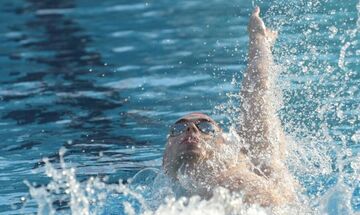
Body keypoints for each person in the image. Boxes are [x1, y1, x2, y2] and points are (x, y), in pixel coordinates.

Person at [162, 6, 297, 207]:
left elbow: (258, 88)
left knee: (259, 120)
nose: (191, 129)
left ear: (223, 144)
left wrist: (257, 42)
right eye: (179, 128)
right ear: (165, 157)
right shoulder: (163, 195)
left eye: (205, 127)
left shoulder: (235, 178)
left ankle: (260, 39)